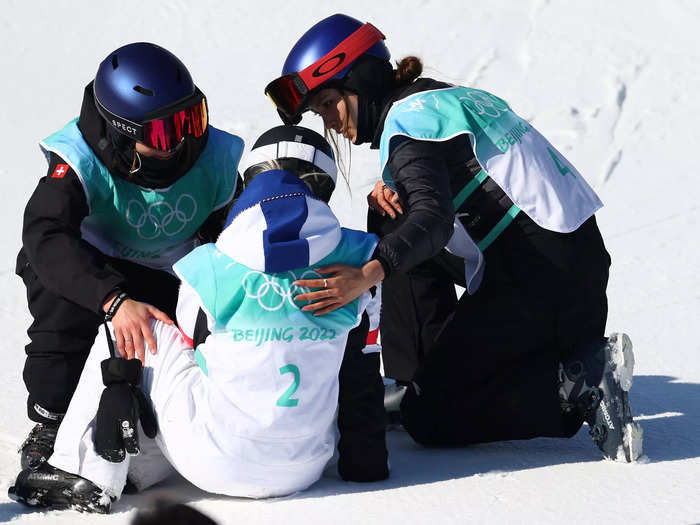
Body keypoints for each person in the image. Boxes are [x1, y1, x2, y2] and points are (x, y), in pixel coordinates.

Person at [264, 14, 643, 462]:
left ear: (360, 79)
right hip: (570, 270)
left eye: (328, 103)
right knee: (387, 211)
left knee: (431, 417)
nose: (330, 122)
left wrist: (365, 274)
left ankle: (575, 385)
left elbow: (433, 222)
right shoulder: (442, 98)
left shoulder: (407, 127)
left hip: (537, 287)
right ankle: (416, 377)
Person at [9, 126, 389, 513]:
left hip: (212, 462)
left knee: (130, 324)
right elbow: (362, 369)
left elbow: (196, 350)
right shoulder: (359, 263)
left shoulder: (211, 263)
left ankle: (82, 472)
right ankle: (140, 468)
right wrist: (366, 464)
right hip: (305, 467)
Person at [15, 42, 244, 473]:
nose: (181, 141)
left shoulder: (211, 156)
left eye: (191, 120)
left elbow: (234, 236)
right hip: (94, 270)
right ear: (122, 132)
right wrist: (113, 300)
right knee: (58, 297)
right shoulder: (79, 160)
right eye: (163, 132)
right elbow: (44, 235)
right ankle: (51, 420)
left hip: (167, 273)